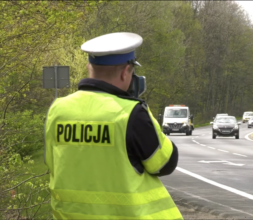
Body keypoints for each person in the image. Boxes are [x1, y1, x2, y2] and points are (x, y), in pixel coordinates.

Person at [44, 32, 182, 219]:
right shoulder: (131, 113)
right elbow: (165, 163)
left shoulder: (57, 110)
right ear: (126, 72)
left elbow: (52, 162)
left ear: (88, 67)